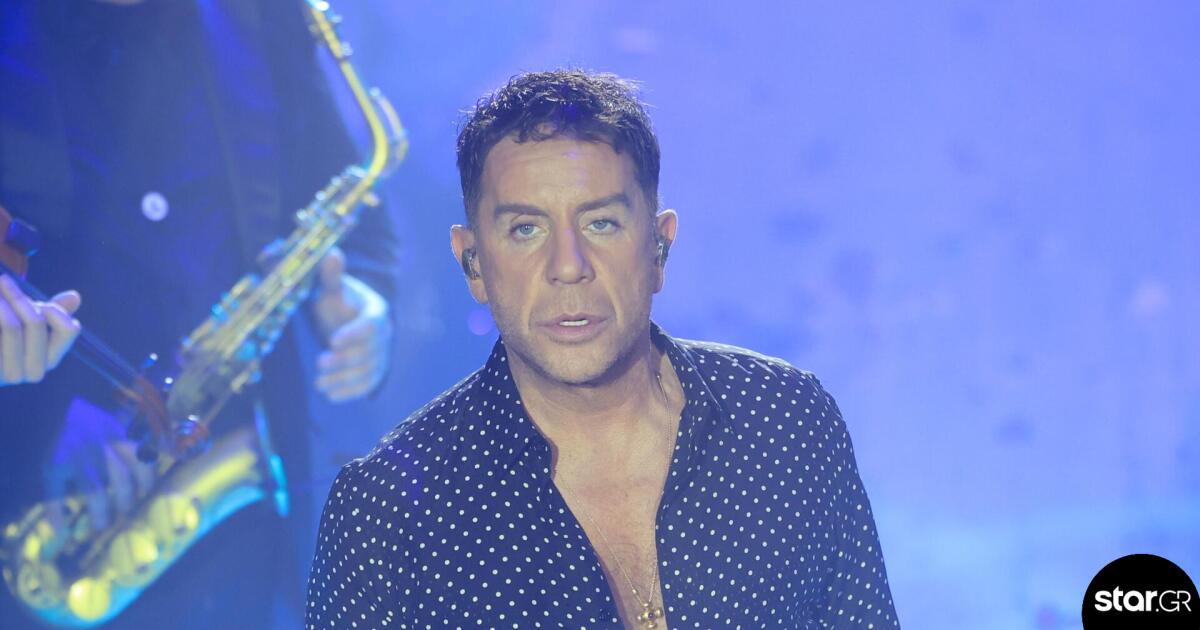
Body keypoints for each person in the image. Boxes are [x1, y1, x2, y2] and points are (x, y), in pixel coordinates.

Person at [305, 69, 899, 629]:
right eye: (525, 229)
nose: (568, 266)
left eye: (601, 224)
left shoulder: (787, 421)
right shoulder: (386, 512)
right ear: (473, 263)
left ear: (659, 247)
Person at [0, 1, 398, 628]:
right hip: (44, 515)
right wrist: (36, 420)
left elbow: (362, 227)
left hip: (248, 542)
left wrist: (365, 306)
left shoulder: (264, 16)